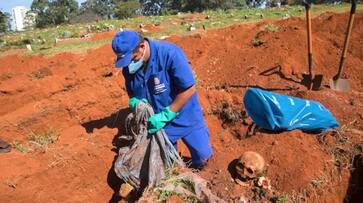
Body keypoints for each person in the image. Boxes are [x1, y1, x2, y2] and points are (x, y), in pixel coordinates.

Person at [111, 30, 212, 169]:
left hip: (185, 115)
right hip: (159, 124)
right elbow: (133, 92)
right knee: (168, 166)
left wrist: (167, 114)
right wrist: (135, 102)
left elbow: (189, 89)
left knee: (204, 158)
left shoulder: (170, 53)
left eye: (132, 58)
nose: (130, 63)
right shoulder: (129, 67)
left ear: (142, 46)